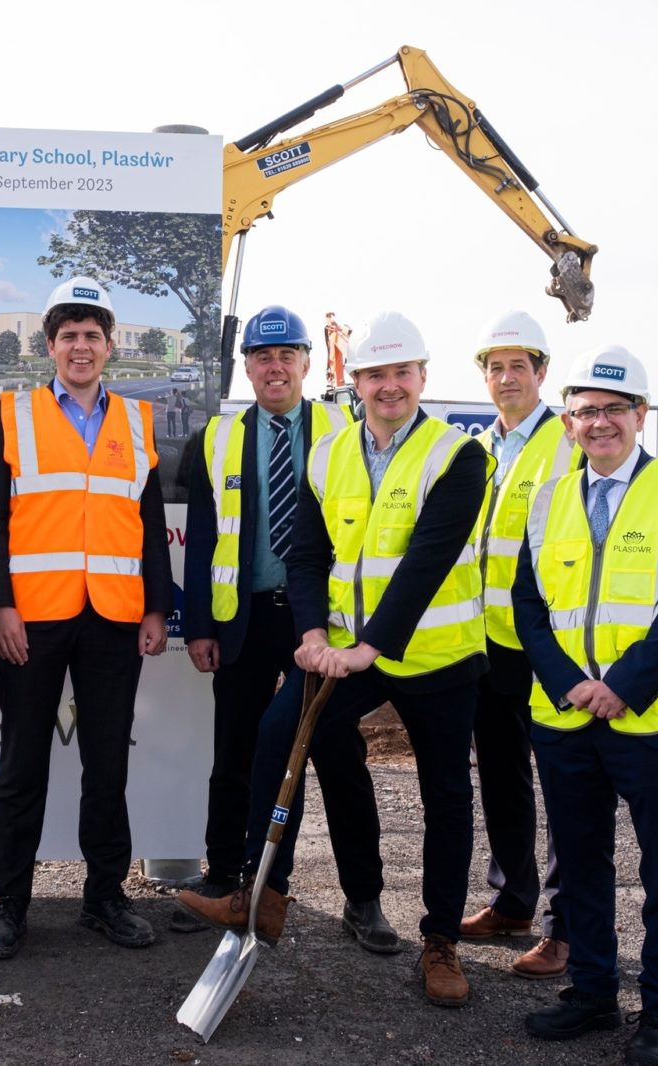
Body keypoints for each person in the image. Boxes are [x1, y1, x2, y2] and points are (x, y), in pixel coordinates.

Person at [178, 312, 490, 1007]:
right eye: (375, 375)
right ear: (356, 381)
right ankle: (263, 894)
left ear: (422, 377)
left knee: (445, 796)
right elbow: (309, 555)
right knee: (275, 733)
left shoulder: (457, 456)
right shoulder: (332, 453)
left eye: (401, 373)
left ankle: (440, 940)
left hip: (436, 655)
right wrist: (315, 634)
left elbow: (426, 563)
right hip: (347, 646)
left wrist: (367, 646)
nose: (388, 386)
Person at [514, 345, 658, 1065]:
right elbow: (529, 607)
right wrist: (571, 683)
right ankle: (593, 993)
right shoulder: (547, 499)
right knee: (580, 864)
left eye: (613, 410)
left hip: (652, 720)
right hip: (567, 717)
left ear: (641, 415)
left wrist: (624, 686)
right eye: (585, 412)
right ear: (567, 422)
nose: (599, 423)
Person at [177, 305, 396, 953]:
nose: (274, 367)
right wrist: (200, 625)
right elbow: (201, 538)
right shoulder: (216, 439)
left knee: (338, 757)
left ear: (306, 362)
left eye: (286, 356)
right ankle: (227, 880)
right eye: (262, 357)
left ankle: (364, 899)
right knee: (235, 754)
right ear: (246, 367)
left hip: (319, 623)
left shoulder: (344, 429)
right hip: (242, 621)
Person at [0, 276, 171, 959]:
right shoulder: (13, 413)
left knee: (107, 765)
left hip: (113, 618)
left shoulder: (137, 421)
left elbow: (149, 524)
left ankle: (104, 897)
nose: (80, 347)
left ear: (109, 345)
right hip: (31, 620)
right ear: (50, 345)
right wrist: (0, 604)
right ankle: (8, 904)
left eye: (91, 335)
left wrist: (155, 605)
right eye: (67, 336)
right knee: (21, 766)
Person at [460, 311, 578, 978]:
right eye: (495, 368)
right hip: (488, 643)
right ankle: (512, 902)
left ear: (542, 373)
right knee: (502, 775)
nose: (506, 378)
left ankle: (566, 928)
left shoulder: (568, 443)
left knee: (564, 786)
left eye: (518, 367)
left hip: (550, 644)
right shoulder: (479, 449)